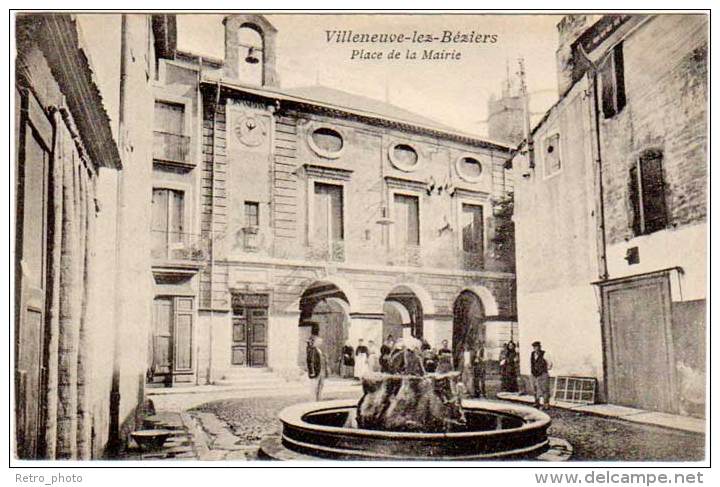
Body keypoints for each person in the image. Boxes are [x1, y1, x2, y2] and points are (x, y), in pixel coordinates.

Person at [530, 341, 552, 409]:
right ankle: (536, 402)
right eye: (534, 347)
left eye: (537, 347)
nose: (536, 348)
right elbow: (531, 363)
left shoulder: (545, 354)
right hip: (534, 374)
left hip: (543, 374)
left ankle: (546, 404)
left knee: (544, 389)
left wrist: (544, 370)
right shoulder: (532, 354)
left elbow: (550, 364)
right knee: (535, 389)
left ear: (540, 347)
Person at [307, 336, 328, 401]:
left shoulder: (320, 350)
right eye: (319, 341)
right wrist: (312, 372)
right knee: (314, 388)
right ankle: (313, 402)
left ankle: (319, 400)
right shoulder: (312, 350)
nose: (320, 343)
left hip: (321, 371)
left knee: (320, 387)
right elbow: (310, 361)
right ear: (315, 342)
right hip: (316, 372)